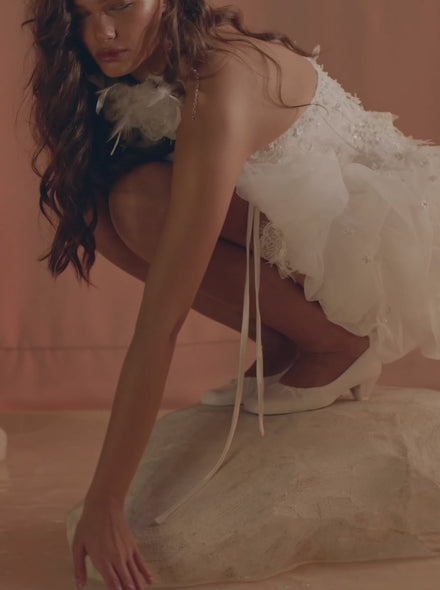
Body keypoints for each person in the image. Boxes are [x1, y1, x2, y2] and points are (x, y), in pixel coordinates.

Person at [23, 0, 440, 588]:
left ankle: (337, 343)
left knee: (141, 205)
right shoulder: (133, 68)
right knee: (102, 209)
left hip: (364, 245)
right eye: (83, 13)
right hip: (298, 239)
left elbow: (161, 321)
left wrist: (107, 500)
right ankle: (287, 339)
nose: (102, 31)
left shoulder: (221, 77)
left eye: (119, 5)